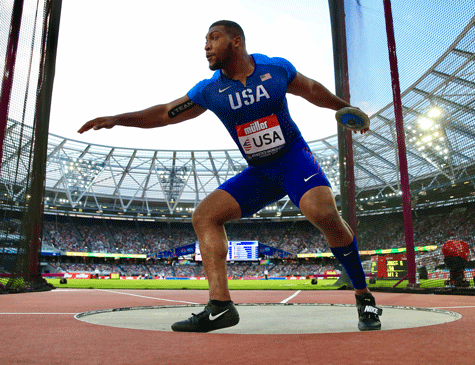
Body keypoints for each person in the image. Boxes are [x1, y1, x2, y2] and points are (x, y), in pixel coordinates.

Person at [78, 20, 382, 332]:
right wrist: (119, 119)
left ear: (236, 41)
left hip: (293, 160)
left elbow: (312, 89)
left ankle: (363, 296)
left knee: (322, 212)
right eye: (205, 40)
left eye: (214, 38)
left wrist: (346, 109)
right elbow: (165, 113)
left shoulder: (276, 69)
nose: (206, 45)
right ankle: (220, 307)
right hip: (260, 173)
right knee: (204, 216)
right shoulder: (209, 90)